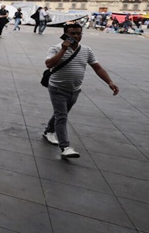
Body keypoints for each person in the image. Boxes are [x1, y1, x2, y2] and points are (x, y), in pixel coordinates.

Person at [42, 23, 119, 159]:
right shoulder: (55, 48)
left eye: (79, 33)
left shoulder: (86, 50)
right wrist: (63, 51)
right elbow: (49, 64)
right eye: (72, 33)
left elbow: (97, 68)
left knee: (61, 113)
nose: (76, 36)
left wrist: (110, 82)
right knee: (62, 116)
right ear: (66, 34)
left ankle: (48, 130)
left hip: (75, 89)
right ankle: (65, 147)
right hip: (57, 88)